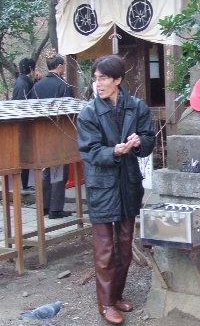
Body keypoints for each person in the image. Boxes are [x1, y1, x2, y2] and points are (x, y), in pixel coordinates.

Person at [77, 55, 155, 325]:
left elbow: (149, 139)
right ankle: (106, 303)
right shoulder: (89, 112)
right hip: (102, 185)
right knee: (105, 250)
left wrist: (138, 141)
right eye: (95, 78)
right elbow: (89, 151)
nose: (98, 84)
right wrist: (114, 151)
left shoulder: (137, 107)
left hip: (128, 183)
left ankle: (117, 295)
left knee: (124, 246)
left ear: (118, 80)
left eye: (103, 78)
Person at [32, 54, 75, 219]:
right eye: (63, 65)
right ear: (59, 66)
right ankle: (56, 209)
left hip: (41, 133)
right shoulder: (63, 85)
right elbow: (70, 111)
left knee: (46, 169)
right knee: (60, 169)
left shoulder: (37, 86)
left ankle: (44, 206)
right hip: (59, 132)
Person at [13, 57, 39, 191]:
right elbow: (23, 104)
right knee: (25, 155)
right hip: (24, 124)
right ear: (31, 69)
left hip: (22, 124)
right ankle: (24, 184)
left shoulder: (22, 81)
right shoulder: (23, 83)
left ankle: (25, 184)